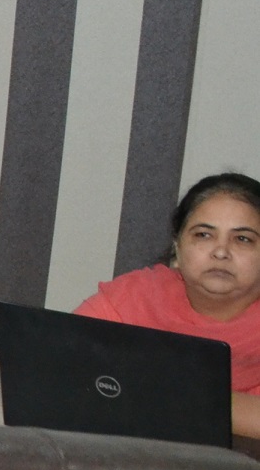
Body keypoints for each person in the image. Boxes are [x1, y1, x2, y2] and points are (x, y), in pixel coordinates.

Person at [75, 172, 260, 438]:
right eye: (203, 235)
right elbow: (61, 367)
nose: (221, 252)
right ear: (178, 247)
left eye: (242, 239)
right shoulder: (134, 299)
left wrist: (151, 390)